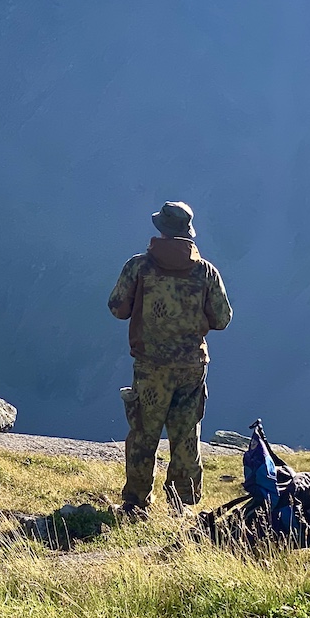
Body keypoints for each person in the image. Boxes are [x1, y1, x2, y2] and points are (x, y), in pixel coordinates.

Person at [108, 201, 233, 517]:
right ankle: (183, 506)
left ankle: (136, 502)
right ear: (187, 232)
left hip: (150, 366)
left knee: (143, 433)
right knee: (186, 433)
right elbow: (222, 319)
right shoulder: (205, 271)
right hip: (192, 366)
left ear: (160, 229)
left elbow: (117, 308)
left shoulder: (139, 267)